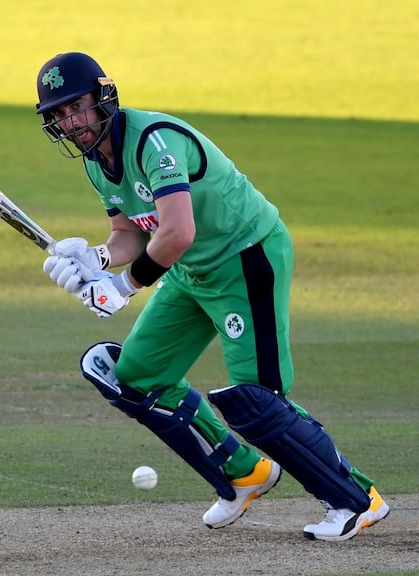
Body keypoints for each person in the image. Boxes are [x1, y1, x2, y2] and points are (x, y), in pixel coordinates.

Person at [35, 52, 389, 541]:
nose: (71, 122)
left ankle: (356, 499)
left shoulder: (155, 141)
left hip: (246, 257)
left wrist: (122, 286)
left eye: (77, 107)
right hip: (191, 271)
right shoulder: (97, 162)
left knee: (258, 398)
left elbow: (177, 232)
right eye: (59, 114)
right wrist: (95, 258)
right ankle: (242, 474)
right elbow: (131, 233)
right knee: (132, 376)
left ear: (102, 98)